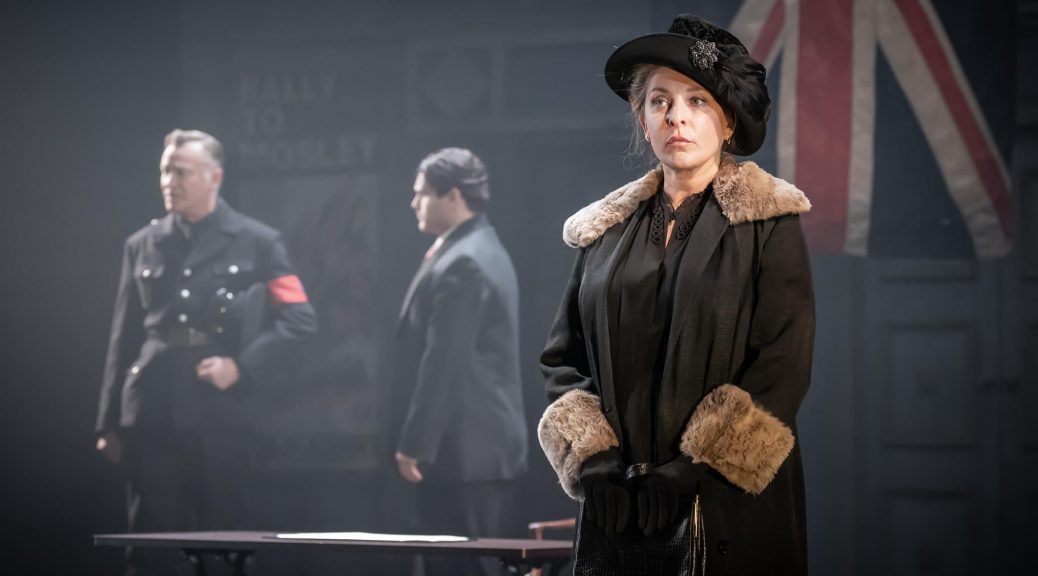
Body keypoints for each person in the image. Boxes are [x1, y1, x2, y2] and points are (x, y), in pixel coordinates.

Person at [537, 14, 815, 576]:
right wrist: (593, 460)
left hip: (726, 505)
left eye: (696, 102)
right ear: (643, 121)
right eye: (660, 101)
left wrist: (700, 467)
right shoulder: (604, 232)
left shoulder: (769, 222)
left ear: (728, 121)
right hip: (621, 504)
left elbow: (782, 366)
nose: (677, 117)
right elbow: (564, 360)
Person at [94, 129, 318, 575]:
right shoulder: (144, 243)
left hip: (220, 415)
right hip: (153, 410)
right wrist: (109, 421)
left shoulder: (257, 241)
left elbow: (300, 319)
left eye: (181, 172)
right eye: (164, 171)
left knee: (222, 541)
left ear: (214, 177)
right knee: (151, 545)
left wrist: (241, 366)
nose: (169, 181)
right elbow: (124, 335)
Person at [393, 147, 528, 576]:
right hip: (474, 452)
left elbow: (444, 363)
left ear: (453, 196)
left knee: (464, 568)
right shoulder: (475, 247)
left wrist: (416, 442)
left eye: (422, 194)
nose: (414, 203)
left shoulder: (465, 260)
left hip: (465, 452)